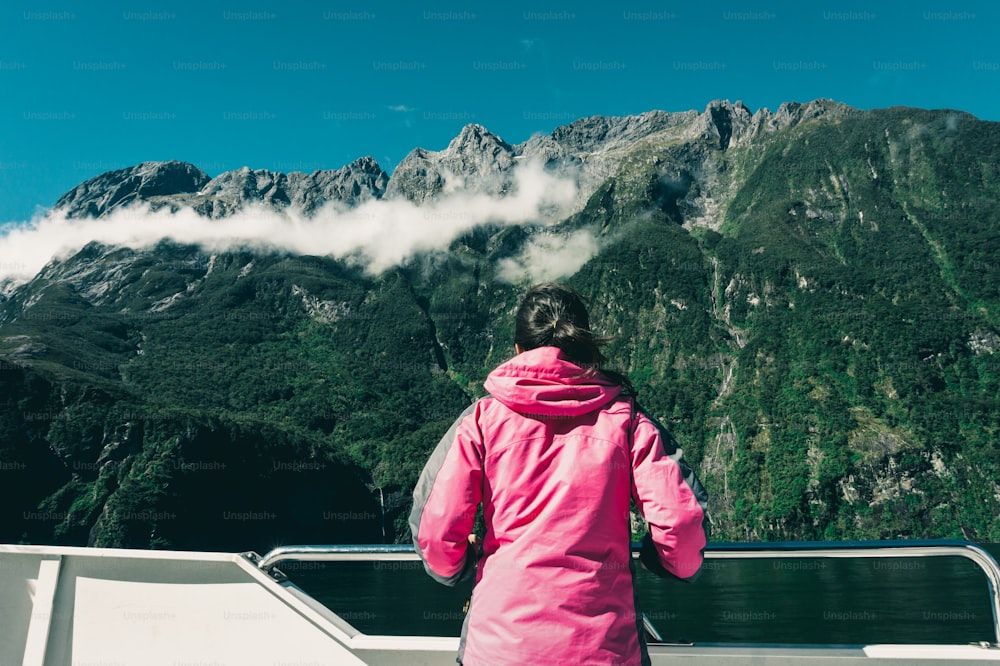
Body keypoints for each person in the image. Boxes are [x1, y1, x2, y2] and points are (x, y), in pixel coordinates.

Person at [409, 282, 708, 665]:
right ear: (584, 347)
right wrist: (656, 558)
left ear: (518, 350)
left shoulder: (481, 421)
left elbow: (435, 533)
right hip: (604, 651)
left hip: (500, 649)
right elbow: (682, 526)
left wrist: (461, 562)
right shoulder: (627, 420)